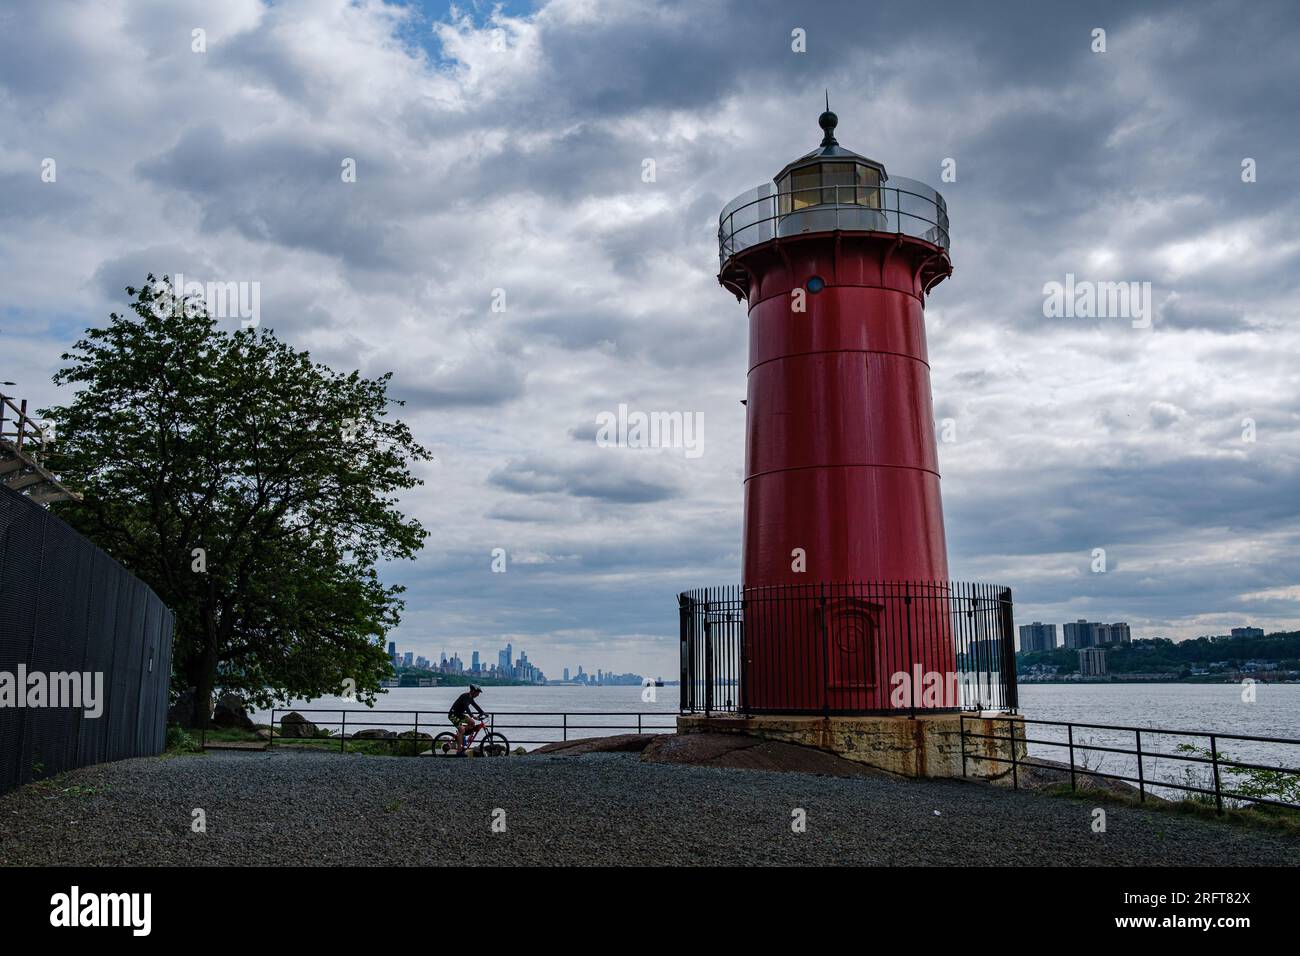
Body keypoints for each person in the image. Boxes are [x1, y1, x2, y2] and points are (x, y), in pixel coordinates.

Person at [448, 685, 486, 755]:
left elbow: (476, 706)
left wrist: (483, 713)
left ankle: (461, 734)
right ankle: (459, 751)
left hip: (460, 715)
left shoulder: (471, 698)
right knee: (462, 729)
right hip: (453, 715)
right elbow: (466, 707)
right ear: (473, 691)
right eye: (478, 693)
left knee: (472, 723)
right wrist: (472, 716)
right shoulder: (465, 696)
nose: (478, 695)